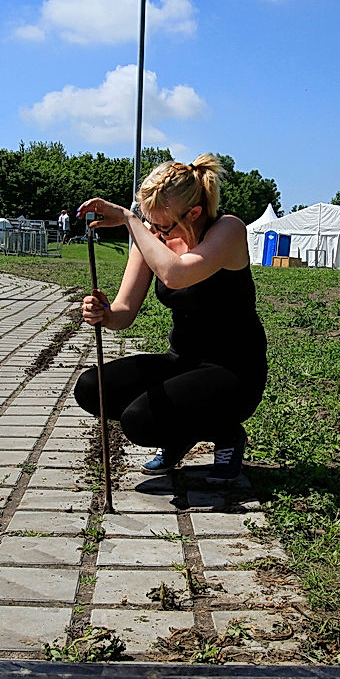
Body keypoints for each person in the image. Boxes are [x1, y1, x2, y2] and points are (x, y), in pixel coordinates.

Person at [74, 154, 267, 483]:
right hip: (182, 362)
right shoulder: (154, 237)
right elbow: (124, 313)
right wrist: (103, 314)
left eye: (161, 225)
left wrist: (129, 220)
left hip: (234, 371)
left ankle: (226, 434)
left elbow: (176, 274)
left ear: (193, 213)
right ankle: (181, 429)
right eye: (147, 220)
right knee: (92, 388)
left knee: (140, 421)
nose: (153, 231)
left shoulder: (228, 230)